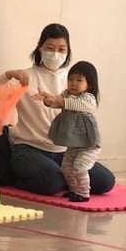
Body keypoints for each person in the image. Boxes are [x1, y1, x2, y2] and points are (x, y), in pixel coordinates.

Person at [0, 23, 114, 195]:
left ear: (68, 52)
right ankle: (24, 177)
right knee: (52, 181)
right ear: (40, 48)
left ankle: (63, 178)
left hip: (66, 152)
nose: (56, 53)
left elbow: (87, 105)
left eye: (62, 49)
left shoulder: (73, 80)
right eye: (50, 48)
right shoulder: (24, 77)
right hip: (29, 149)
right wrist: (7, 75)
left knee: (105, 181)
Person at [42, 61, 101, 202]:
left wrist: (61, 102)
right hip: (73, 145)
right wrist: (49, 101)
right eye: (71, 79)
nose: (74, 83)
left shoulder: (88, 99)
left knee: (80, 167)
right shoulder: (66, 94)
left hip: (89, 145)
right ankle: (74, 190)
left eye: (79, 80)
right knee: (67, 168)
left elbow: (74, 104)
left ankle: (83, 193)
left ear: (90, 84)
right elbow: (58, 101)